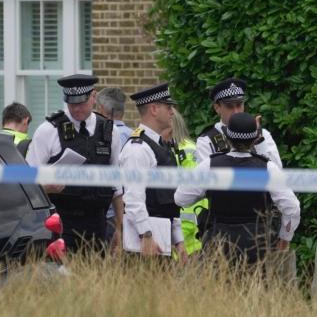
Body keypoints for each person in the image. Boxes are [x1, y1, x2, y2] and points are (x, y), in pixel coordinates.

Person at [174, 112, 300, 266]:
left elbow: (180, 198)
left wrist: (207, 191)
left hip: (217, 245)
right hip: (256, 246)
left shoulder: (209, 165)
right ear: (254, 139)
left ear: (227, 138)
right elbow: (293, 208)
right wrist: (284, 239)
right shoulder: (268, 168)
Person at [24, 74, 121, 254]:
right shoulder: (48, 131)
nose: (76, 109)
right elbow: (26, 183)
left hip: (98, 225)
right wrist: (46, 188)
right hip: (60, 224)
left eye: (81, 103)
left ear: (93, 96)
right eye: (71, 103)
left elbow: (116, 186)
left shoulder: (109, 131)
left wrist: (121, 230)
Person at [117, 83, 185, 261]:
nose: (172, 112)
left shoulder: (160, 145)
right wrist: (145, 236)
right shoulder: (137, 148)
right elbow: (133, 199)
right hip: (144, 245)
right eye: (168, 107)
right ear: (154, 109)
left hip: (161, 238)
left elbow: (170, 196)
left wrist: (178, 239)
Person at [196, 78, 282, 167]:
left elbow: (277, 171)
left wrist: (259, 141)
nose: (236, 112)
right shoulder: (206, 141)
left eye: (239, 105)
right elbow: (205, 178)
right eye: (229, 106)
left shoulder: (262, 134)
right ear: (217, 108)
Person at [96, 87, 133, 247]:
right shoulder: (136, 137)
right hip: (133, 214)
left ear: (102, 109)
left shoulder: (100, 136)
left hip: (108, 214)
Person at [169, 106, 205, 255]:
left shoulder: (186, 151)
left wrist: (183, 231)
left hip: (187, 231)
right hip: (180, 228)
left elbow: (193, 192)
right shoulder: (174, 148)